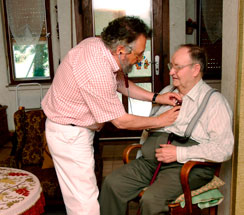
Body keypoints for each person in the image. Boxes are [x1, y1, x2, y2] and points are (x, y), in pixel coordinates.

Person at [41, 16, 182, 215]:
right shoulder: (96, 69)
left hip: (73, 127)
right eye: (139, 54)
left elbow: (118, 83)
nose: (141, 59)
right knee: (84, 204)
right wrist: (160, 120)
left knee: (83, 198)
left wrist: (157, 97)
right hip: (69, 134)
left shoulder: (97, 45)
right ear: (121, 50)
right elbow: (121, 121)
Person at [99, 44, 234, 215]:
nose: (171, 72)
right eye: (171, 66)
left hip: (185, 167)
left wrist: (179, 153)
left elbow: (224, 149)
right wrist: (144, 152)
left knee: (151, 200)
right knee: (112, 183)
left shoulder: (215, 103)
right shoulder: (166, 92)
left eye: (177, 67)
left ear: (195, 69)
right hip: (151, 161)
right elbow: (148, 129)